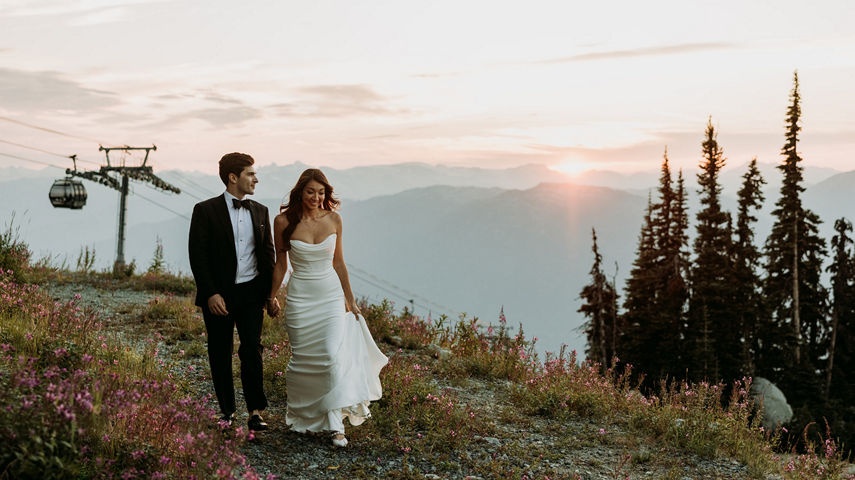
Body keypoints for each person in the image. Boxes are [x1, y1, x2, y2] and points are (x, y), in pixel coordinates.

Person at [269, 168, 387, 447]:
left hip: (331, 296)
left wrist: (351, 299)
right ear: (300, 192)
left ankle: (336, 426)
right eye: (311, 191)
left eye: (321, 192)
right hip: (300, 297)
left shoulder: (334, 219)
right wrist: (271, 296)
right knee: (303, 360)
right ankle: (301, 417)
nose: (316, 197)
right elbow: (281, 264)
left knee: (331, 356)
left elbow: (338, 263)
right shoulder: (283, 221)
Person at [188, 152, 278, 432]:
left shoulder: (261, 211)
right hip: (219, 296)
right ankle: (227, 411)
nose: (256, 179)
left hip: (252, 293)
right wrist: (211, 293)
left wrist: (270, 294)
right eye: (251, 174)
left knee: (252, 350)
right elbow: (197, 255)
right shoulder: (205, 210)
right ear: (233, 177)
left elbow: (268, 255)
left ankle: (255, 411)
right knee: (220, 351)